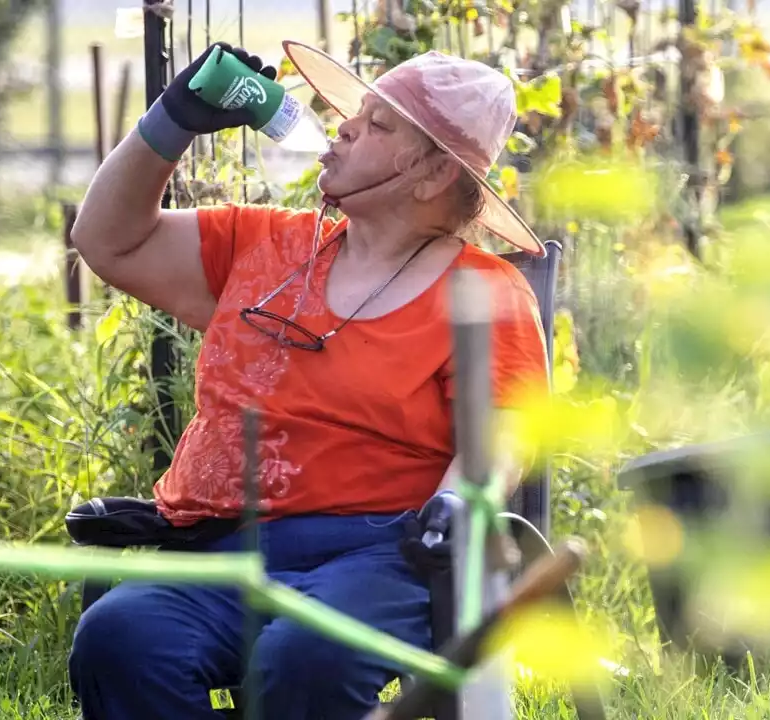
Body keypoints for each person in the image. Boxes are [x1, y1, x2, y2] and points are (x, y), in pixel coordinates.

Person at [66, 40, 549, 719]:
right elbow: (107, 240)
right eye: (357, 113)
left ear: (434, 173)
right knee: (122, 637)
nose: (346, 125)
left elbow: (501, 436)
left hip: (381, 556)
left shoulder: (483, 291)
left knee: (303, 657)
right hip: (229, 547)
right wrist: (171, 119)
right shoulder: (263, 244)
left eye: (379, 125)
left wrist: (460, 504)